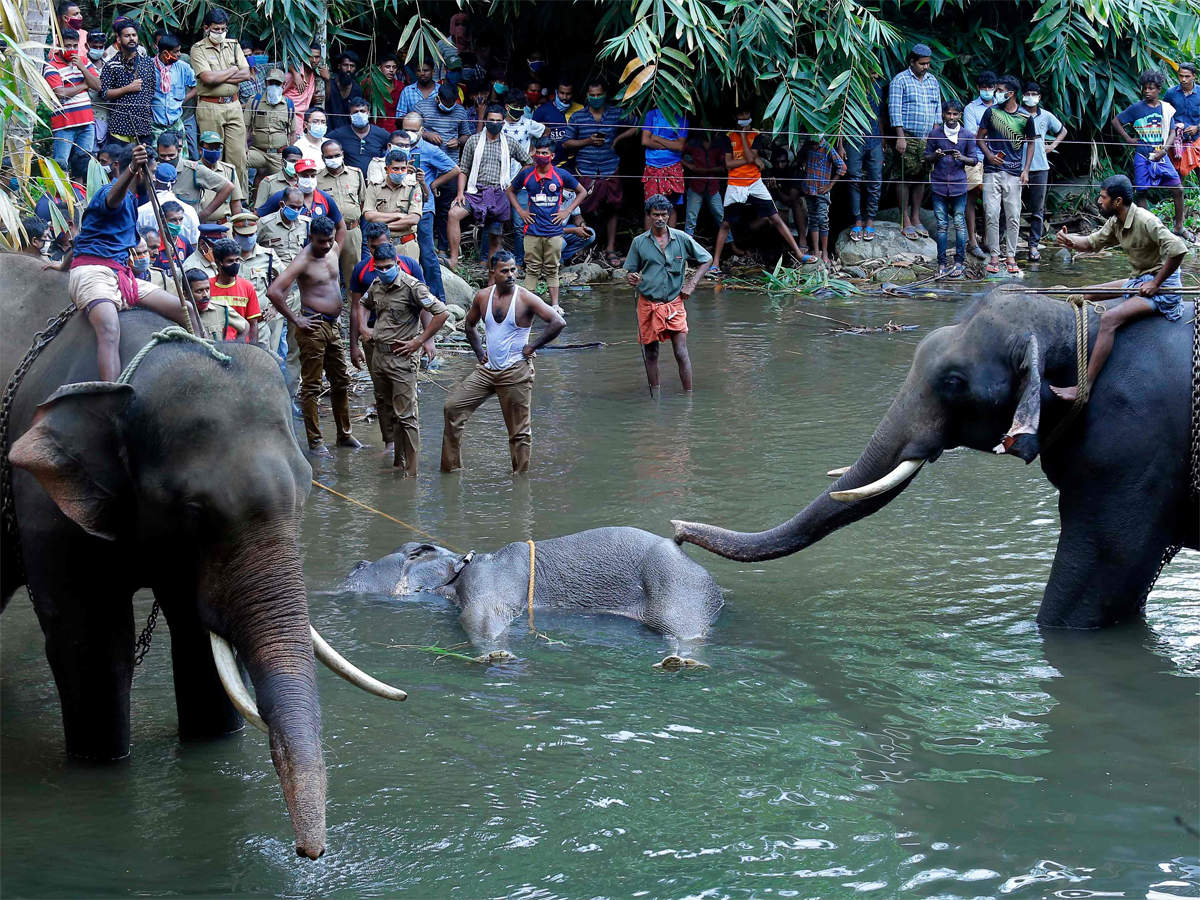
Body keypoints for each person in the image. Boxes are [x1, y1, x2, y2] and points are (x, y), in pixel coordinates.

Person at [53, 143, 196, 382]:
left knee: (187, 310)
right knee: (109, 329)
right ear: (138, 172)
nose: (151, 179)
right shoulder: (108, 191)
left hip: (122, 276)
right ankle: (111, 397)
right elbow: (112, 200)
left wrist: (62, 265)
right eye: (149, 173)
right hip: (92, 273)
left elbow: (82, 238)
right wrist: (131, 169)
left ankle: (203, 364)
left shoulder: (132, 202)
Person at [1051, 174, 1188, 402]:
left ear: (1117, 201)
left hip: (1163, 286)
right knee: (1086, 292)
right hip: (1139, 279)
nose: (1098, 201)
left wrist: (1156, 283)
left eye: (1103, 197)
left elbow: (1179, 249)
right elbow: (1092, 243)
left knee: (1109, 319)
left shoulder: (1146, 221)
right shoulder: (1116, 222)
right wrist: (1069, 240)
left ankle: (1084, 388)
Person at [441, 251, 566, 474]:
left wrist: (532, 346)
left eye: (513, 270)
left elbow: (558, 322)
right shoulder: (483, 296)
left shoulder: (526, 297)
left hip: (516, 370)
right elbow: (469, 325)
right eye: (504, 271)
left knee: (519, 431)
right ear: (493, 273)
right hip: (488, 370)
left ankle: (520, 483)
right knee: (452, 408)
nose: (510, 275)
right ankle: (451, 469)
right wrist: (480, 353)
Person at [266, 215, 361, 453]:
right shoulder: (303, 260)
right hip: (312, 326)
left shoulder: (334, 247)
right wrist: (296, 318)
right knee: (312, 386)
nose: (326, 245)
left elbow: (340, 230)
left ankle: (344, 435)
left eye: (329, 240)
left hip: (333, 325)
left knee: (341, 380)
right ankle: (316, 441)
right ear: (311, 238)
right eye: (321, 242)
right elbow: (274, 291)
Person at [359, 242, 448, 473]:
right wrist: (363, 328)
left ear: (397, 264)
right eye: (379, 267)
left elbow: (442, 313)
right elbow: (363, 304)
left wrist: (420, 341)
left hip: (402, 359)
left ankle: (412, 471)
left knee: (406, 416)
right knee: (387, 410)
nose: (384, 271)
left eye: (388, 267)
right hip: (379, 356)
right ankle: (398, 463)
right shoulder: (377, 284)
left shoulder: (412, 287)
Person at [348, 223, 427, 449]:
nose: (376, 253)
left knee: (407, 392)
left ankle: (410, 443)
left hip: (406, 339)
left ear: (390, 244)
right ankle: (390, 442)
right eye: (372, 248)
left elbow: (425, 305)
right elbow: (355, 307)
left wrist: (426, 340)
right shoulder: (362, 270)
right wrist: (355, 343)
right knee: (382, 394)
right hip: (374, 340)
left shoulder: (409, 266)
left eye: (381, 246)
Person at [624, 194, 712, 394]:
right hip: (648, 303)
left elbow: (706, 259)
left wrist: (691, 284)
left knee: (681, 352)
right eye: (656, 215)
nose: (660, 219)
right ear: (649, 216)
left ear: (669, 215)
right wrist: (632, 278)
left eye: (664, 214)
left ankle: (688, 396)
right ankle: (654, 395)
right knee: (651, 352)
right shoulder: (639, 242)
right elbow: (630, 272)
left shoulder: (681, 238)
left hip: (674, 303)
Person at [709, 107, 811, 276]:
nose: (745, 118)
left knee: (775, 218)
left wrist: (747, 154)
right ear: (735, 117)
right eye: (742, 115)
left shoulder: (755, 135)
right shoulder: (728, 137)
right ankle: (715, 263)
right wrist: (752, 159)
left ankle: (800, 254)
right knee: (726, 223)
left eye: (747, 114)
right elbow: (730, 164)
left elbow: (747, 157)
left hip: (755, 182)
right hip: (735, 183)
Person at [563, 80, 638, 267]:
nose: (595, 98)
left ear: (605, 95)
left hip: (610, 168)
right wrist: (587, 141)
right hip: (585, 170)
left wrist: (619, 138)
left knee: (613, 209)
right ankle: (585, 246)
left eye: (599, 95)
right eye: (592, 95)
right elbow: (566, 143)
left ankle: (610, 248)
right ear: (587, 96)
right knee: (583, 209)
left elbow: (638, 124)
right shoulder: (578, 116)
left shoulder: (616, 113)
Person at [448, 105, 533, 268]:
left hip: (499, 193)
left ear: (503, 123)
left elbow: (528, 162)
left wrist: (513, 184)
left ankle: (491, 268)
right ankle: (453, 260)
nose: (495, 123)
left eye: (498, 121)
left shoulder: (509, 142)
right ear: (486, 121)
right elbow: (463, 169)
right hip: (475, 191)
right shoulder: (473, 140)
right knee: (453, 214)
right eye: (492, 120)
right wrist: (460, 193)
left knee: (494, 233)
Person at [507, 137, 588, 307]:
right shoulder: (526, 173)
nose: (540, 156)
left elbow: (582, 191)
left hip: (554, 231)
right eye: (538, 152)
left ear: (552, 155)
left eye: (544, 153)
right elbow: (510, 190)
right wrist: (521, 212)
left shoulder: (561, 175)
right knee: (532, 269)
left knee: (552, 269)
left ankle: (555, 306)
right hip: (532, 230)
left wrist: (567, 210)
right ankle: (528, 307)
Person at [393, 115, 460, 297]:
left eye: (414, 130)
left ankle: (439, 298)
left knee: (427, 253)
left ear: (422, 131)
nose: (409, 134)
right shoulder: (395, 147)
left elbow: (455, 169)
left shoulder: (430, 150)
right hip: (399, 209)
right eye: (406, 129)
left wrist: (433, 184)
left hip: (424, 208)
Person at [1113, 70, 1186, 235]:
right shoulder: (1137, 108)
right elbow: (1116, 121)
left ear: (1159, 89)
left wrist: (1165, 150)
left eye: (1151, 88)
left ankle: (1179, 226)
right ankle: (1147, 229)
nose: (1147, 91)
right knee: (1142, 191)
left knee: (1178, 189)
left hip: (1162, 155)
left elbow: (1173, 132)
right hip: (1142, 155)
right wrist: (1128, 139)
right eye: (1145, 88)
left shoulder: (1166, 109)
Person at [977, 74, 1035, 275]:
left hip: (1014, 173)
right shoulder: (991, 113)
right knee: (991, 213)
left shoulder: (1025, 117)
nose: (996, 93)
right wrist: (989, 156)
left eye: (1000, 91)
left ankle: (1010, 256)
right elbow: (980, 138)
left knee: (1013, 216)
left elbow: (1031, 143)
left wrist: (1026, 169)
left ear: (1011, 93)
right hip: (992, 171)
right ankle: (994, 255)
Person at [190, 8, 252, 194]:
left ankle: (239, 201)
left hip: (233, 105)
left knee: (238, 156)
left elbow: (246, 73)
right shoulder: (198, 49)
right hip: (210, 106)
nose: (220, 33)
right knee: (212, 154)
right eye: (216, 29)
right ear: (206, 28)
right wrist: (233, 70)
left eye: (223, 29)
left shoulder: (233, 45)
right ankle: (211, 198)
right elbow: (208, 79)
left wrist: (220, 76)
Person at [887, 43, 942, 240]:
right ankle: (905, 218)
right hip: (908, 135)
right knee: (904, 177)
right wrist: (900, 136)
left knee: (921, 177)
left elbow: (937, 110)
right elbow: (894, 109)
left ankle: (917, 217)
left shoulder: (932, 81)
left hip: (927, 136)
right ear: (912, 61)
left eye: (928, 64)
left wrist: (936, 136)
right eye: (922, 63)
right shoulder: (900, 80)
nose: (925, 67)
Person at [923, 99, 980, 276]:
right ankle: (941, 263)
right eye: (948, 114)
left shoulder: (967, 135)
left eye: (955, 114)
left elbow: (974, 160)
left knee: (959, 224)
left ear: (960, 116)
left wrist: (961, 158)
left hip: (959, 186)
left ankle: (959, 262)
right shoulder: (935, 134)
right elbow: (926, 157)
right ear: (943, 114)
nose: (951, 117)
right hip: (939, 184)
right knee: (941, 225)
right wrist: (936, 155)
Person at [1019, 82, 1067, 261]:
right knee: (1011, 207)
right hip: (1017, 167)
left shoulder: (1046, 116)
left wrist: (1052, 145)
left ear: (1039, 97)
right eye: (1027, 93)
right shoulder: (1016, 114)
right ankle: (1005, 244)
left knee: (1037, 209)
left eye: (1034, 94)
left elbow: (1062, 130)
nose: (1030, 97)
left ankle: (1033, 245)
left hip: (1040, 167)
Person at [43, 27, 100, 171]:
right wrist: (84, 85)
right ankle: (60, 193)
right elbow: (60, 93)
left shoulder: (84, 62)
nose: (72, 49)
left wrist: (82, 68)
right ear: (59, 45)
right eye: (67, 46)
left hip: (87, 122)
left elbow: (98, 85)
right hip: (64, 125)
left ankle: (80, 192)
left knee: (83, 165)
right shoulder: (51, 66)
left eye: (75, 46)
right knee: (61, 166)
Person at [230, 211, 286, 358]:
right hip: (233, 323)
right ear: (234, 234)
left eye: (251, 235)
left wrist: (275, 307)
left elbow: (286, 281)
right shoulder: (227, 257)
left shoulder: (268, 256)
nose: (248, 239)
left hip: (261, 324)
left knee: (263, 361)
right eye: (243, 236)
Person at [257, 158, 346, 247]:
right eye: (305, 176)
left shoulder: (325, 198)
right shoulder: (282, 196)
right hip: (288, 252)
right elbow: (258, 218)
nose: (309, 179)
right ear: (296, 176)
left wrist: (335, 253)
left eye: (313, 176)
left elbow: (341, 227)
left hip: (318, 254)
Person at [501, 93, 546, 268]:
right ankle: (492, 260)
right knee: (496, 222)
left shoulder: (528, 124)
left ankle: (520, 262)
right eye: (515, 107)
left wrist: (536, 149)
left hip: (522, 179)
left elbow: (546, 132)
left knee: (520, 224)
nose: (518, 111)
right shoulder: (499, 124)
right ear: (507, 107)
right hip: (500, 178)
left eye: (521, 108)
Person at [316, 137, 367, 285]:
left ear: (343, 154)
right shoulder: (317, 178)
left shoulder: (356, 174)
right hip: (328, 233)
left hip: (352, 230)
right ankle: (332, 307)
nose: (334, 159)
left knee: (354, 273)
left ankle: (354, 307)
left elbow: (362, 201)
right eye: (329, 157)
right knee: (328, 272)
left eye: (337, 155)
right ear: (322, 158)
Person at [961, 70, 1000, 259]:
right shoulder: (971, 108)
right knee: (971, 199)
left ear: (995, 89)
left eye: (990, 88)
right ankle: (972, 241)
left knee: (991, 201)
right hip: (975, 158)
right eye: (983, 88)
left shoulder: (1001, 106)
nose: (987, 91)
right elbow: (972, 135)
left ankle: (987, 239)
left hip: (997, 159)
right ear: (978, 88)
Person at [100, 17, 155, 145]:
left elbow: (151, 90)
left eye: (134, 35)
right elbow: (104, 93)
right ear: (118, 39)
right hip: (120, 127)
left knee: (145, 163)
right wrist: (127, 88)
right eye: (127, 36)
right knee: (119, 163)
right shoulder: (111, 65)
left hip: (143, 126)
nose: (131, 38)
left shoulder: (147, 63)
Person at [158, 130, 235, 222]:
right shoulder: (153, 170)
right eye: (163, 156)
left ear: (178, 151)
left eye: (171, 155)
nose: (167, 159)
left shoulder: (193, 170)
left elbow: (227, 187)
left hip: (188, 227)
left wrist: (204, 214)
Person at [842, 78, 884, 243]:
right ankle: (857, 220)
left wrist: (882, 139)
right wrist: (840, 144)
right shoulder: (851, 84)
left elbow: (880, 114)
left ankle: (870, 220)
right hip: (853, 139)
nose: (873, 74)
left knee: (875, 180)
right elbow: (842, 115)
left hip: (874, 139)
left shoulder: (879, 85)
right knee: (853, 178)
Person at [364, 149, 425, 258]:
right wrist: (397, 215)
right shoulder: (374, 187)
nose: (400, 172)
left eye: (403, 168)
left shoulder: (413, 187)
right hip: (381, 245)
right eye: (395, 169)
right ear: (386, 169)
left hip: (406, 244)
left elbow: (413, 219)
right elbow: (369, 215)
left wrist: (383, 227)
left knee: (408, 275)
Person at [245, 68, 294, 194]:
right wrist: (243, 148)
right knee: (237, 160)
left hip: (278, 155)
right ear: (266, 83)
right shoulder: (255, 101)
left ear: (284, 85)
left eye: (277, 83)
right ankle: (243, 199)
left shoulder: (289, 104)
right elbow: (245, 127)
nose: (273, 86)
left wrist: (290, 155)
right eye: (270, 82)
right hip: (257, 151)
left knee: (284, 183)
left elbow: (292, 133)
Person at [799, 138, 847, 265]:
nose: (814, 146)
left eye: (816, 144)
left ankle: (825, 252)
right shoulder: (807, 146)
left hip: (822, 191)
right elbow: (800, 159)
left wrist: (830, 185)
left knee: (822, 219)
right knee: (813, 219)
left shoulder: (828, 147)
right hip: (809, 189)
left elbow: (842, 167)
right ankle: (816, 251)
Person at [640, 107, 688, 228]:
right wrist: (670, 144)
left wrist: (656, 138)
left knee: (671, 206)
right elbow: (645, 140)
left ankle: (669, 241)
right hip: (652, 166)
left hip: (673, 166)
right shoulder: (651, 114)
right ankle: (649, 243)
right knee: (650, 205)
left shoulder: (682, 117)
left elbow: (680, 146)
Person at [135, 161, 200, 245]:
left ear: (154, 180)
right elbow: (195, 243)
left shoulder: (141, 211)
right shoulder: (190, 211)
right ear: (175, 182)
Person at [150, 35, 196, 144]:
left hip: (176, 122)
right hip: (154, 124)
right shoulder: (149, 66)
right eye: (176, 52)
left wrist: (182, 101)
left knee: (181, 157)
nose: (179, 54)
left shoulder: (183, 67)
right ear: (165, 53)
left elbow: (196, 86)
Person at [328, 97, 391, 172]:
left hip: (376, 179)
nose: (359, 114)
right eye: (355, 112)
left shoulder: (381, 134)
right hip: (350, 180)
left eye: (362, 111)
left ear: (368, 113)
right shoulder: (339, 134)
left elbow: (393, 147)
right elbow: (323, 143)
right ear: (350, 115)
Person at [681, 132, 725, 237]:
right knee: (691, 219)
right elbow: (677, 154)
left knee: (721, 217)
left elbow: (724, 166)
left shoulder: (718, 143)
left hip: (713, 185)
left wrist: (702, 170)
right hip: (696, 184)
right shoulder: (694, 143)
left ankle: (730, 245)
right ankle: (688, 247)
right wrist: (689, 166)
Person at [195, 130, 245, 222]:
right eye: (210, 147)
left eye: (217, 148)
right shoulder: (193, 170)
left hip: (224, 226)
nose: (214, 151)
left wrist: (237, 228)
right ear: (200, 149)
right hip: (199, 225)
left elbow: (236, 203)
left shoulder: (229, 171)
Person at [188, 266, 248, 340]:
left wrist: (237, 347)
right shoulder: (179, 314)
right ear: (185, 294)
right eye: (199, 291)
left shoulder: (221, 309)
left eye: (207, 289)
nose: (205, 295)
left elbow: (245, 326)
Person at [1164, 62, 1200, 185]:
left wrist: (1198, 127)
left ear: (1194, 76)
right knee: (1175, 177)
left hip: (1197, 140)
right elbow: (1165, 115)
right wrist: (1174, 127)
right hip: (1176, 141)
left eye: (1187, 76)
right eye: (1181, 76)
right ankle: (1178, 204)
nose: (1183, 80)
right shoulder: (1171, 93)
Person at [532, 79, 583, 164]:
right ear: (556, 92)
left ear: (573, 94)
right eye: (562, 93)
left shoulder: (580, 109)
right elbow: (532, 139)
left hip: (575, 162)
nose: (564, 97)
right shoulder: (542, 111)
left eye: (568, 94)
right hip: (550, 164)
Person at [284, 44, 328, 139]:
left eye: (317, 57)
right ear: (303, 56)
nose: (314, 60)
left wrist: (327, 80)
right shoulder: (292, 75)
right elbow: (277, 94)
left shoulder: (314, 76)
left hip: (303, 122)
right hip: (288, 121)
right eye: (310, 56)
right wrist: (295, 73)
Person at [363, 53, 405, 132]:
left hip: (393, 131)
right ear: (379, 68)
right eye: (387, 67)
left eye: (394, 67)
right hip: (372, 130)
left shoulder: (400, 86)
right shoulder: (368, 83)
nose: (391, 70)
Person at [325, 51, 364, 131]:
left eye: (352, 66)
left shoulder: (357, 89)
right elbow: (324, 99)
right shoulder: (330, 84)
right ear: (339, 66)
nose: (348, 69)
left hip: (348, 133)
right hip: (327, 130)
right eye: (345, 65)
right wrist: (327, 81)